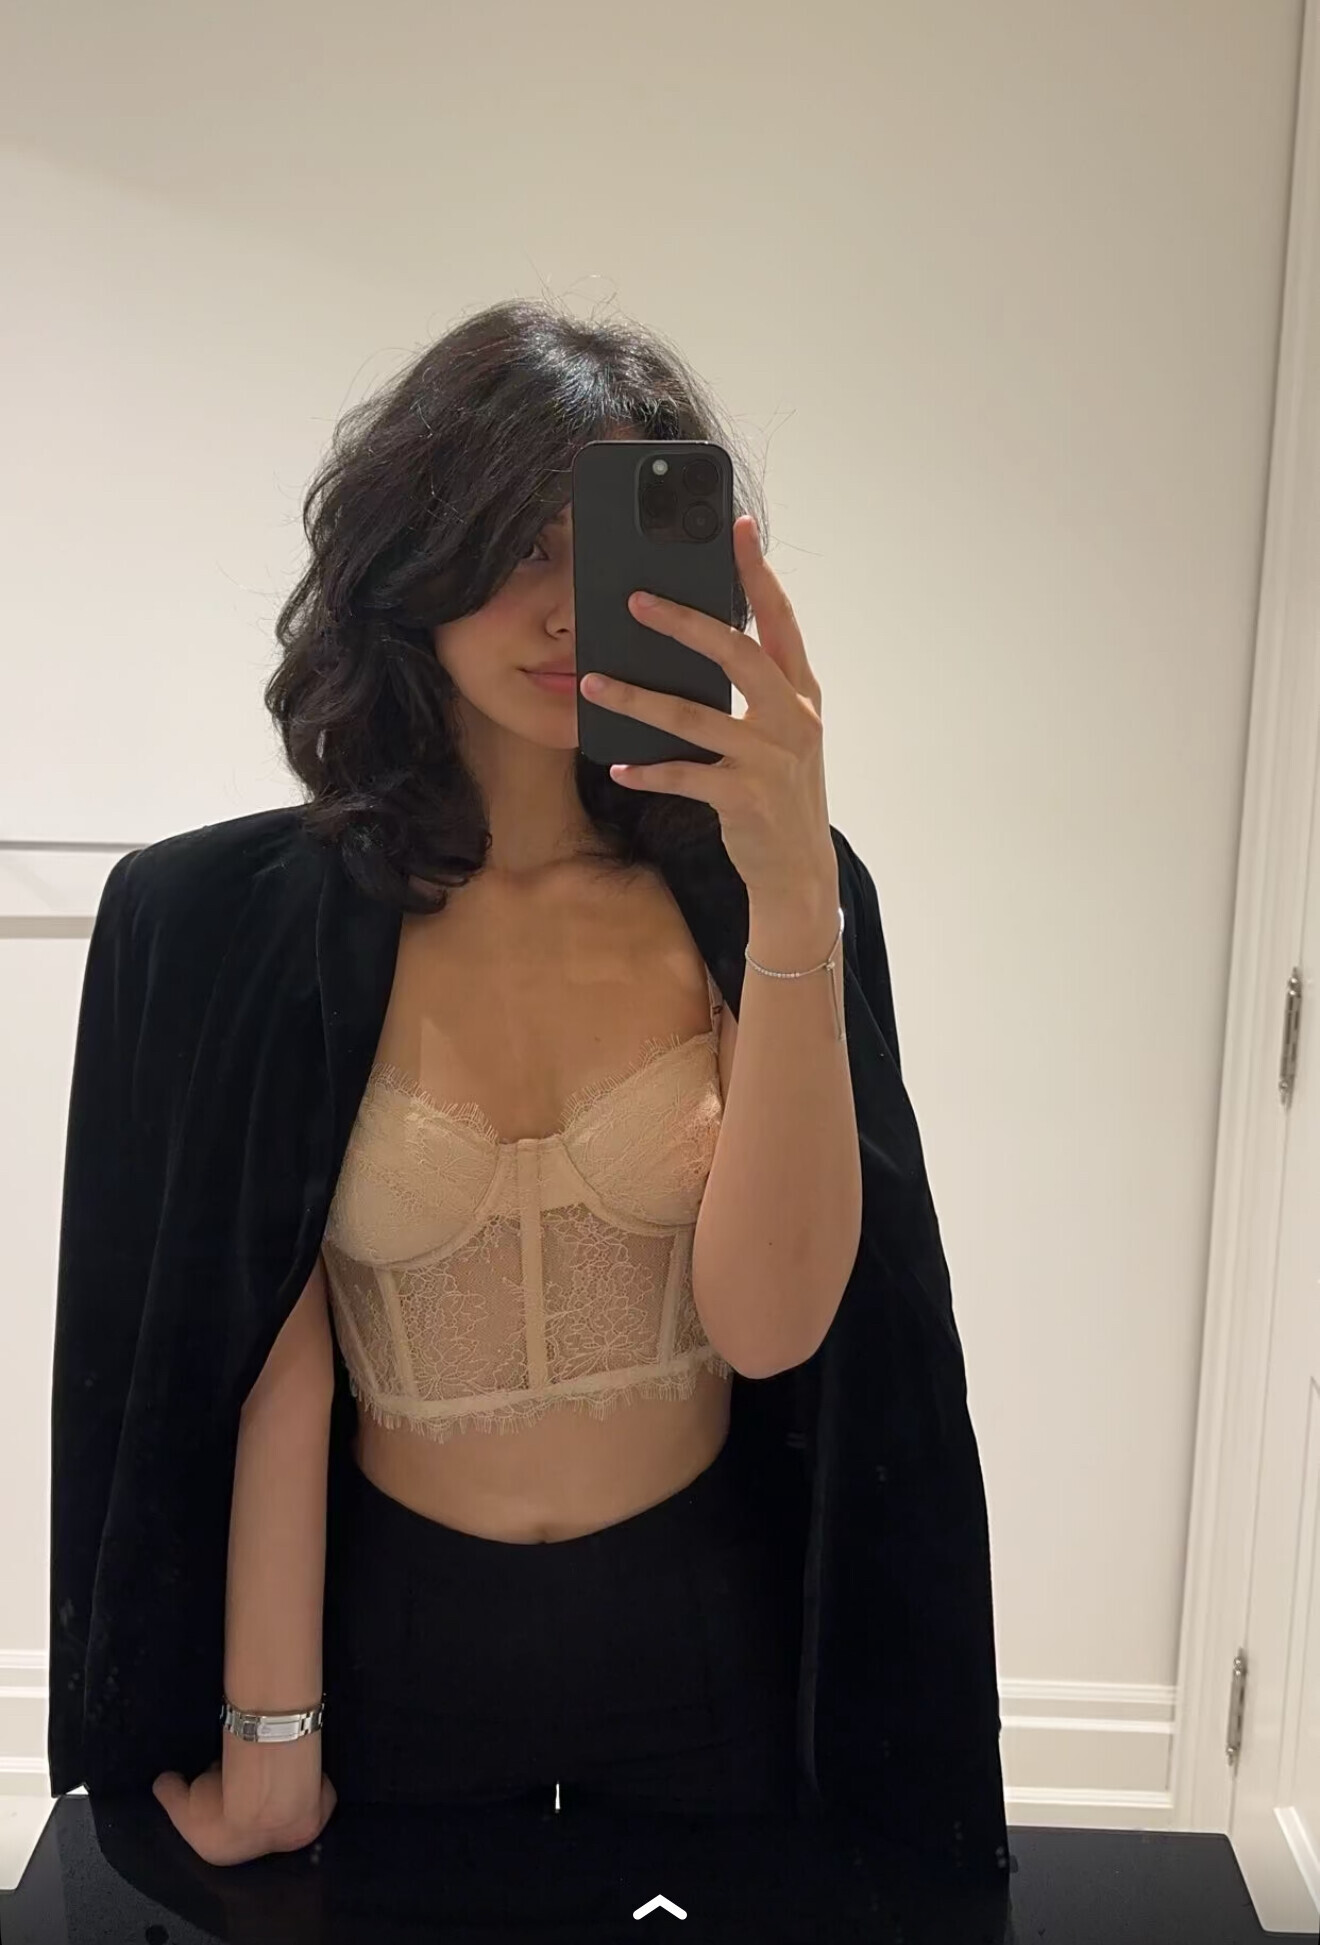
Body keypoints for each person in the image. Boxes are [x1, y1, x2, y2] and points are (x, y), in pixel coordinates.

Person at [49, 297, 1010, 1889]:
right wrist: (271, 1739)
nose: (565, 608)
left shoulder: (752, 902)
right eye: (515, 544)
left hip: (709, 1647)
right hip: (393, 1656)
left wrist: (791, 900)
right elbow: (269, 1352)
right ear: (410, 555)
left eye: (606, 550)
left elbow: (777, 1324)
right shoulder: (255, 931)